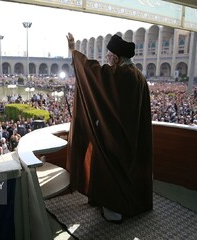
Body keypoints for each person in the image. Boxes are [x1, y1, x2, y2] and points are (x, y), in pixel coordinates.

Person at [65, 33, 153, 222]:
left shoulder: (121, 74)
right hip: (133, 137)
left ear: (116, 57)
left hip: (117, 139)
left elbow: (93, 73)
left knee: (109, 170)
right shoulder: (139, 76)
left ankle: (115, 211)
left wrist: (73, 51)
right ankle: (129, 204)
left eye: (109, 55)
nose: (107, 58)